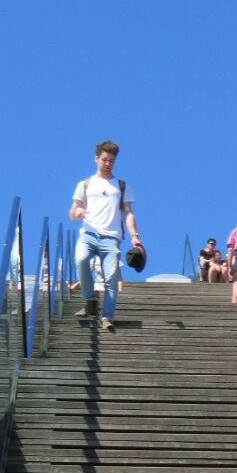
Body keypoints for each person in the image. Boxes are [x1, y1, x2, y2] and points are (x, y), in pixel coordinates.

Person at [69, 140, 141, 332]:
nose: (108, 163)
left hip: (111, 237)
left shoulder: (121, 186)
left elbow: (128, 212)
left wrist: (134, 235)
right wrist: (78, 212)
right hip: (89, 233)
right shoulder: (85, 184)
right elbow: (73, 210)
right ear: (96, 159)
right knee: (81, 259)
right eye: (105, 159)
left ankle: (107, 316)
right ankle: (90, 300)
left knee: (110, 277)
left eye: (111, 160)